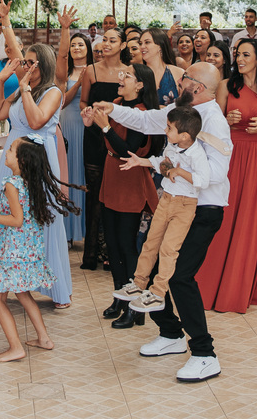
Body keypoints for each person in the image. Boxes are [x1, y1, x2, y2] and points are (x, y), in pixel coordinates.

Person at [95, 62, 232, 384]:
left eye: (185, 79)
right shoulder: (180, 110)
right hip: (174, 203)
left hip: (203, 209)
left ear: (198, 87)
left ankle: (205, 354)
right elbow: (146, 120)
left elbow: (216, 174)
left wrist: (172, 168)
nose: (178, 82)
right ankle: (171, 333)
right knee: (155, 268)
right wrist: (112, 109)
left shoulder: (214, 122)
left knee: (180, 276)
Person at [0, 41, 72, 307]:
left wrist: (25, 89)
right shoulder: (21, 89)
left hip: (38, 157)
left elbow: (36, 121)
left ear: (44, 64)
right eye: (25, 62)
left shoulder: (52, 92)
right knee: (2, 210)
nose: (26, 66)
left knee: (40, 217)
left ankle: (54, 288)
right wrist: (1, 81)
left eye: (31, 62)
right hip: (13, 156)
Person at [197, 39, 257, 313]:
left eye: (246, 55)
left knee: (253, 220)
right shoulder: (226, 86)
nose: (239, 59)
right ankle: (213, 282)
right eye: (238, 54)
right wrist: (227, 122)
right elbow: (211, 124)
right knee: (225, 215)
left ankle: (246, 285)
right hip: (232, 156)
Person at [0, 136, 80, 363]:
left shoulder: (11, 184)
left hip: (12, 251)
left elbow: (17, 220)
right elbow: (21, 213)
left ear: (21, 160)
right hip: (27, 249)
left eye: (11, 149)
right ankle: (44, 338)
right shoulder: (28, 182)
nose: (6, 152)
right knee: (23, 293)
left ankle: (15, 348)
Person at [114, 105, 211, 314]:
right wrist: (141, 161)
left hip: (184, 205)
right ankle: (138, 283)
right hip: (166, 200)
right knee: (150, 243)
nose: (165, 130)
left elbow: (203, 181)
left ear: (184, 135)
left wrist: (180, 172)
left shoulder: (197, 154)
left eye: (169, 128)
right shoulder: (171, 146)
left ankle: (158, 293)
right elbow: (162, 163)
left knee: (168, 249)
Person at [92, 64, 161, 330]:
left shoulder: (141, 114)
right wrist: (94, 121)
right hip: (112, 174)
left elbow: (128, 150)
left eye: (127, 76)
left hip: (130, 177)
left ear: (140, 85)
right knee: (112, 243)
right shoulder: (117, 103)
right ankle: (120, 297)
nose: (121, 78)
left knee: (126, 244)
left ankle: (135, 306)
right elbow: (109, 144)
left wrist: (105, 128)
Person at [78, 25, 128, 270]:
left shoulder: (129, 72)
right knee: (94, 194)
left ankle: (112, 253)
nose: (106, 44)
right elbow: (83, 101)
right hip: (93, 136)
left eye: (112, 40)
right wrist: (88, 111)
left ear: (123, 45)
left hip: (118, 136)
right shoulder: (91, 70)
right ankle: (91, 254)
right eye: (104, 40)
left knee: (115, 195)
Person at [54, 6, 92, 243]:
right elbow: (61, 102)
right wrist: (78, 83)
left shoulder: (96, 70)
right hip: (67, 124)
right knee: (65, 176)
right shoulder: (63, 74)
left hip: (87, 127)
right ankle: (65, 232)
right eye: (74, 45)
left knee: (84, 176)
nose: (77, 48)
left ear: (88, 48)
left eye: (81, 44)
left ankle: (85, 232)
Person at [138, 28, 183, 107]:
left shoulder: (178, 73)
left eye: (147, 42)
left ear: (160, 46)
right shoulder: (136, 73)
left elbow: (186, 105)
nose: (142, 47)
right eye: (140, 43)